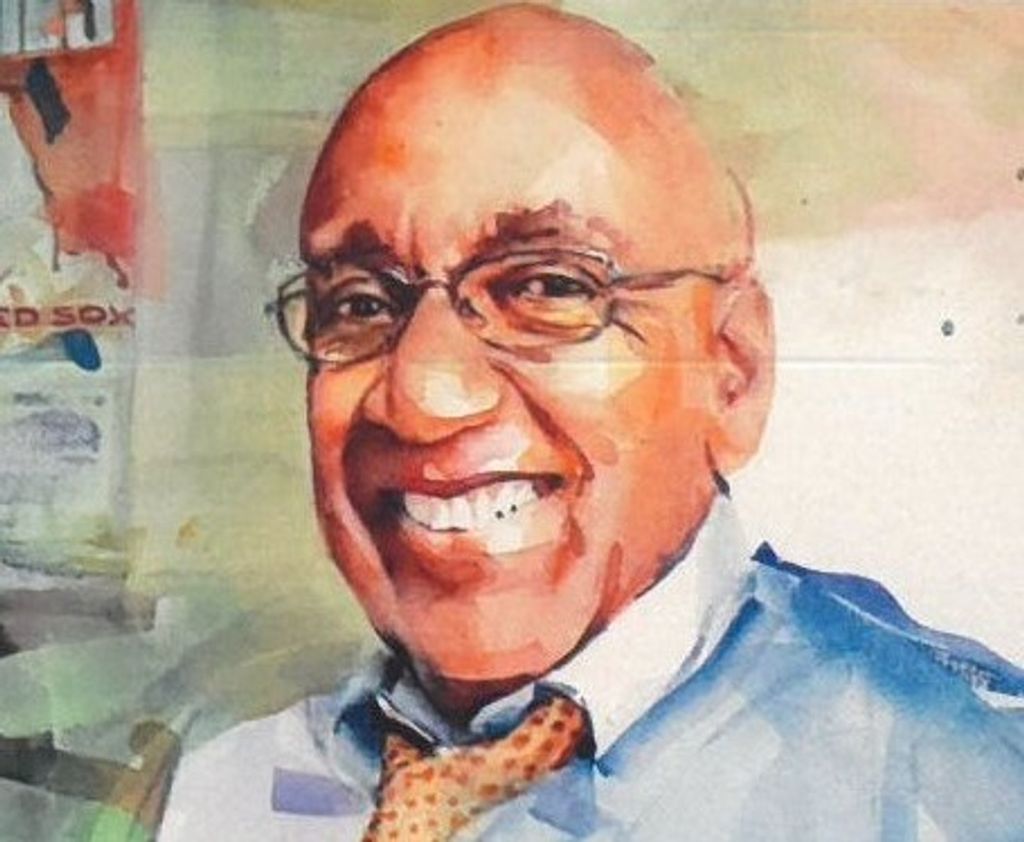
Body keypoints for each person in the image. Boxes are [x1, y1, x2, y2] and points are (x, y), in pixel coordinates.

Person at [159, 5, 1024, 840]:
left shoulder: (958, 782)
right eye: (358, 303)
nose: (422, 397)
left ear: (732, 371)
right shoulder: (230, 790)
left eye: (548, 287)